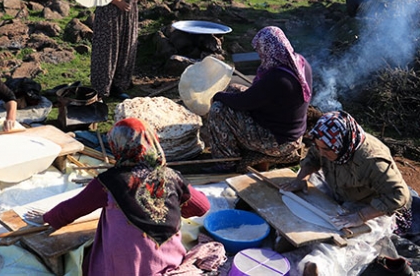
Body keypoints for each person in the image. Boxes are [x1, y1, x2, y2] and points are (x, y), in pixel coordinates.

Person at [34, 118, 211, 275]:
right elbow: (202, 207)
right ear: (153, 141)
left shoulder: (109, 181)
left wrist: (47, 217)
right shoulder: (173, 177)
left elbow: (72, 209)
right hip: (168, 264)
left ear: (117, 146)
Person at [281, 111, 412, 232]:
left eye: (326, 150)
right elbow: (313, 157)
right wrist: (301, 178)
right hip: (339, 187)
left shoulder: (372, 162)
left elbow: (398, 195)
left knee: (340, 235)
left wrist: (361, 216)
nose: (321, 152)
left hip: (367, 203)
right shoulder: (327, 141)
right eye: (318, 147)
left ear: (341, 145)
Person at [207, 26, 313, 172]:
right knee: (234, 88)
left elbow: (244, 102)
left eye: (261, 51)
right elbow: (254, 96)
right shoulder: (300, 64)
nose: (260, 55)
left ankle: (226, 163)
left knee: (217, 110)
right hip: (292, 132)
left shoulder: (277, 79)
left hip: (279, 142)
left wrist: (217, 96)